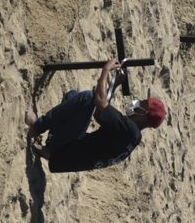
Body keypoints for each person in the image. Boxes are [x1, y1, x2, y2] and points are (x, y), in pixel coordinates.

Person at [25, 59, 167, 173]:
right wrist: (113, 85)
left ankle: (37, 126)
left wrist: (105, 70)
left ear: (144, 113)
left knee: (87, 98)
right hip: (65, 156)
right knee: (73, 97)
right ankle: (50, 150)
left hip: (64, 151)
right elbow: (99, 114)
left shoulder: (128, 129)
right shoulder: (133, 135)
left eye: (142, 103)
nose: (137, 102)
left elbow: (99, 101)